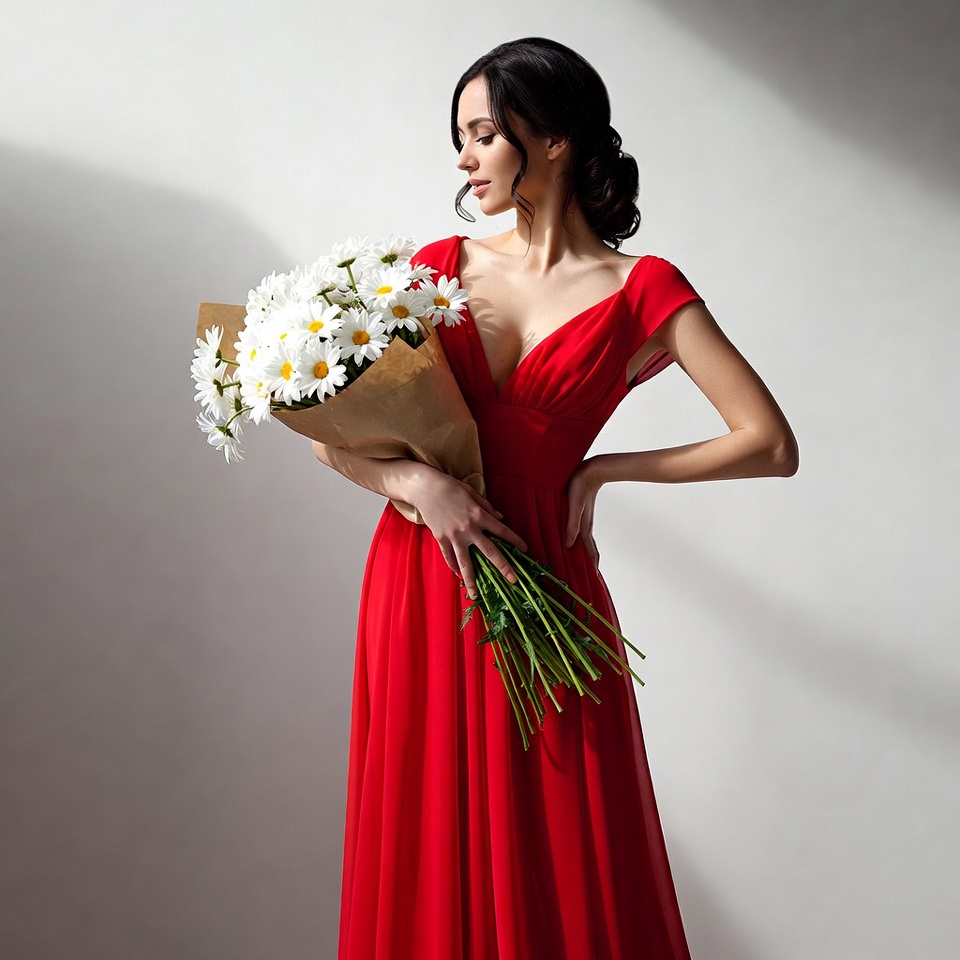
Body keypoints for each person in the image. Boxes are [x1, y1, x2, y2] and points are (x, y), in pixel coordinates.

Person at [313, 36, 798, 960]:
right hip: (421, 577)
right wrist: (416, 482)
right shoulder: (432, 269)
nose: (463, 157)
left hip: (545, 580)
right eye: (460, 135)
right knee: (428, 832)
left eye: (485, 132)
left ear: (558, 138)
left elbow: (769, 444)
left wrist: (602, 471)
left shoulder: (641, 287)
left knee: (566, 838)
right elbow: (336, 441)